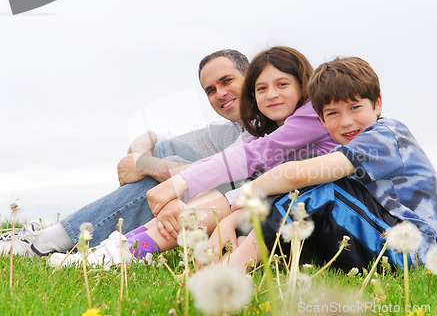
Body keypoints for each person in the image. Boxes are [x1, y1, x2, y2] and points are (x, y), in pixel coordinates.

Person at [49, 46, 339, 267]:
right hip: (269, 199)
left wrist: (178, 183)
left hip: (307, 206)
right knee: (203, 198)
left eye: (282, 85)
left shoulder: (312, 114)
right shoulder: (257, 129)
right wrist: (160, 170)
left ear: (303, 84)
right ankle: (119, 249)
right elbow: (156, 139)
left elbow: (252, 158)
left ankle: (109, 249)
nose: (270, 94)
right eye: (262, 88)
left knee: (206, 201)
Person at [0, 49, 250, 256]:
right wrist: (143, 160)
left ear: (249, 76)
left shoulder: (266, 132)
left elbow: (224, 174)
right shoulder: (224, 132)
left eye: (226, 81)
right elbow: (149, 138)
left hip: (240, 215)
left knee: (167, 171)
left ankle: (48, 242)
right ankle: (69, 241)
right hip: (211, 205)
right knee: (166, 157)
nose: (220, 94)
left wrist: (148, 168)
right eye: (210, 90)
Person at [220, 56, 437, 273]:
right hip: (381, 239)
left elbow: (293, 175)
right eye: (333, 113)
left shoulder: (387, 135)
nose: (346, 121)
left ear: (377, 103)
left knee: (322, 191)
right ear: (321, 119)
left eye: (355, 107)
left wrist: (245, 194)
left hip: (418, 252)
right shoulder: (348, 149)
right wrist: (233, 220)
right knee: (297, 196)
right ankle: (239, 254)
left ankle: (232, 270)